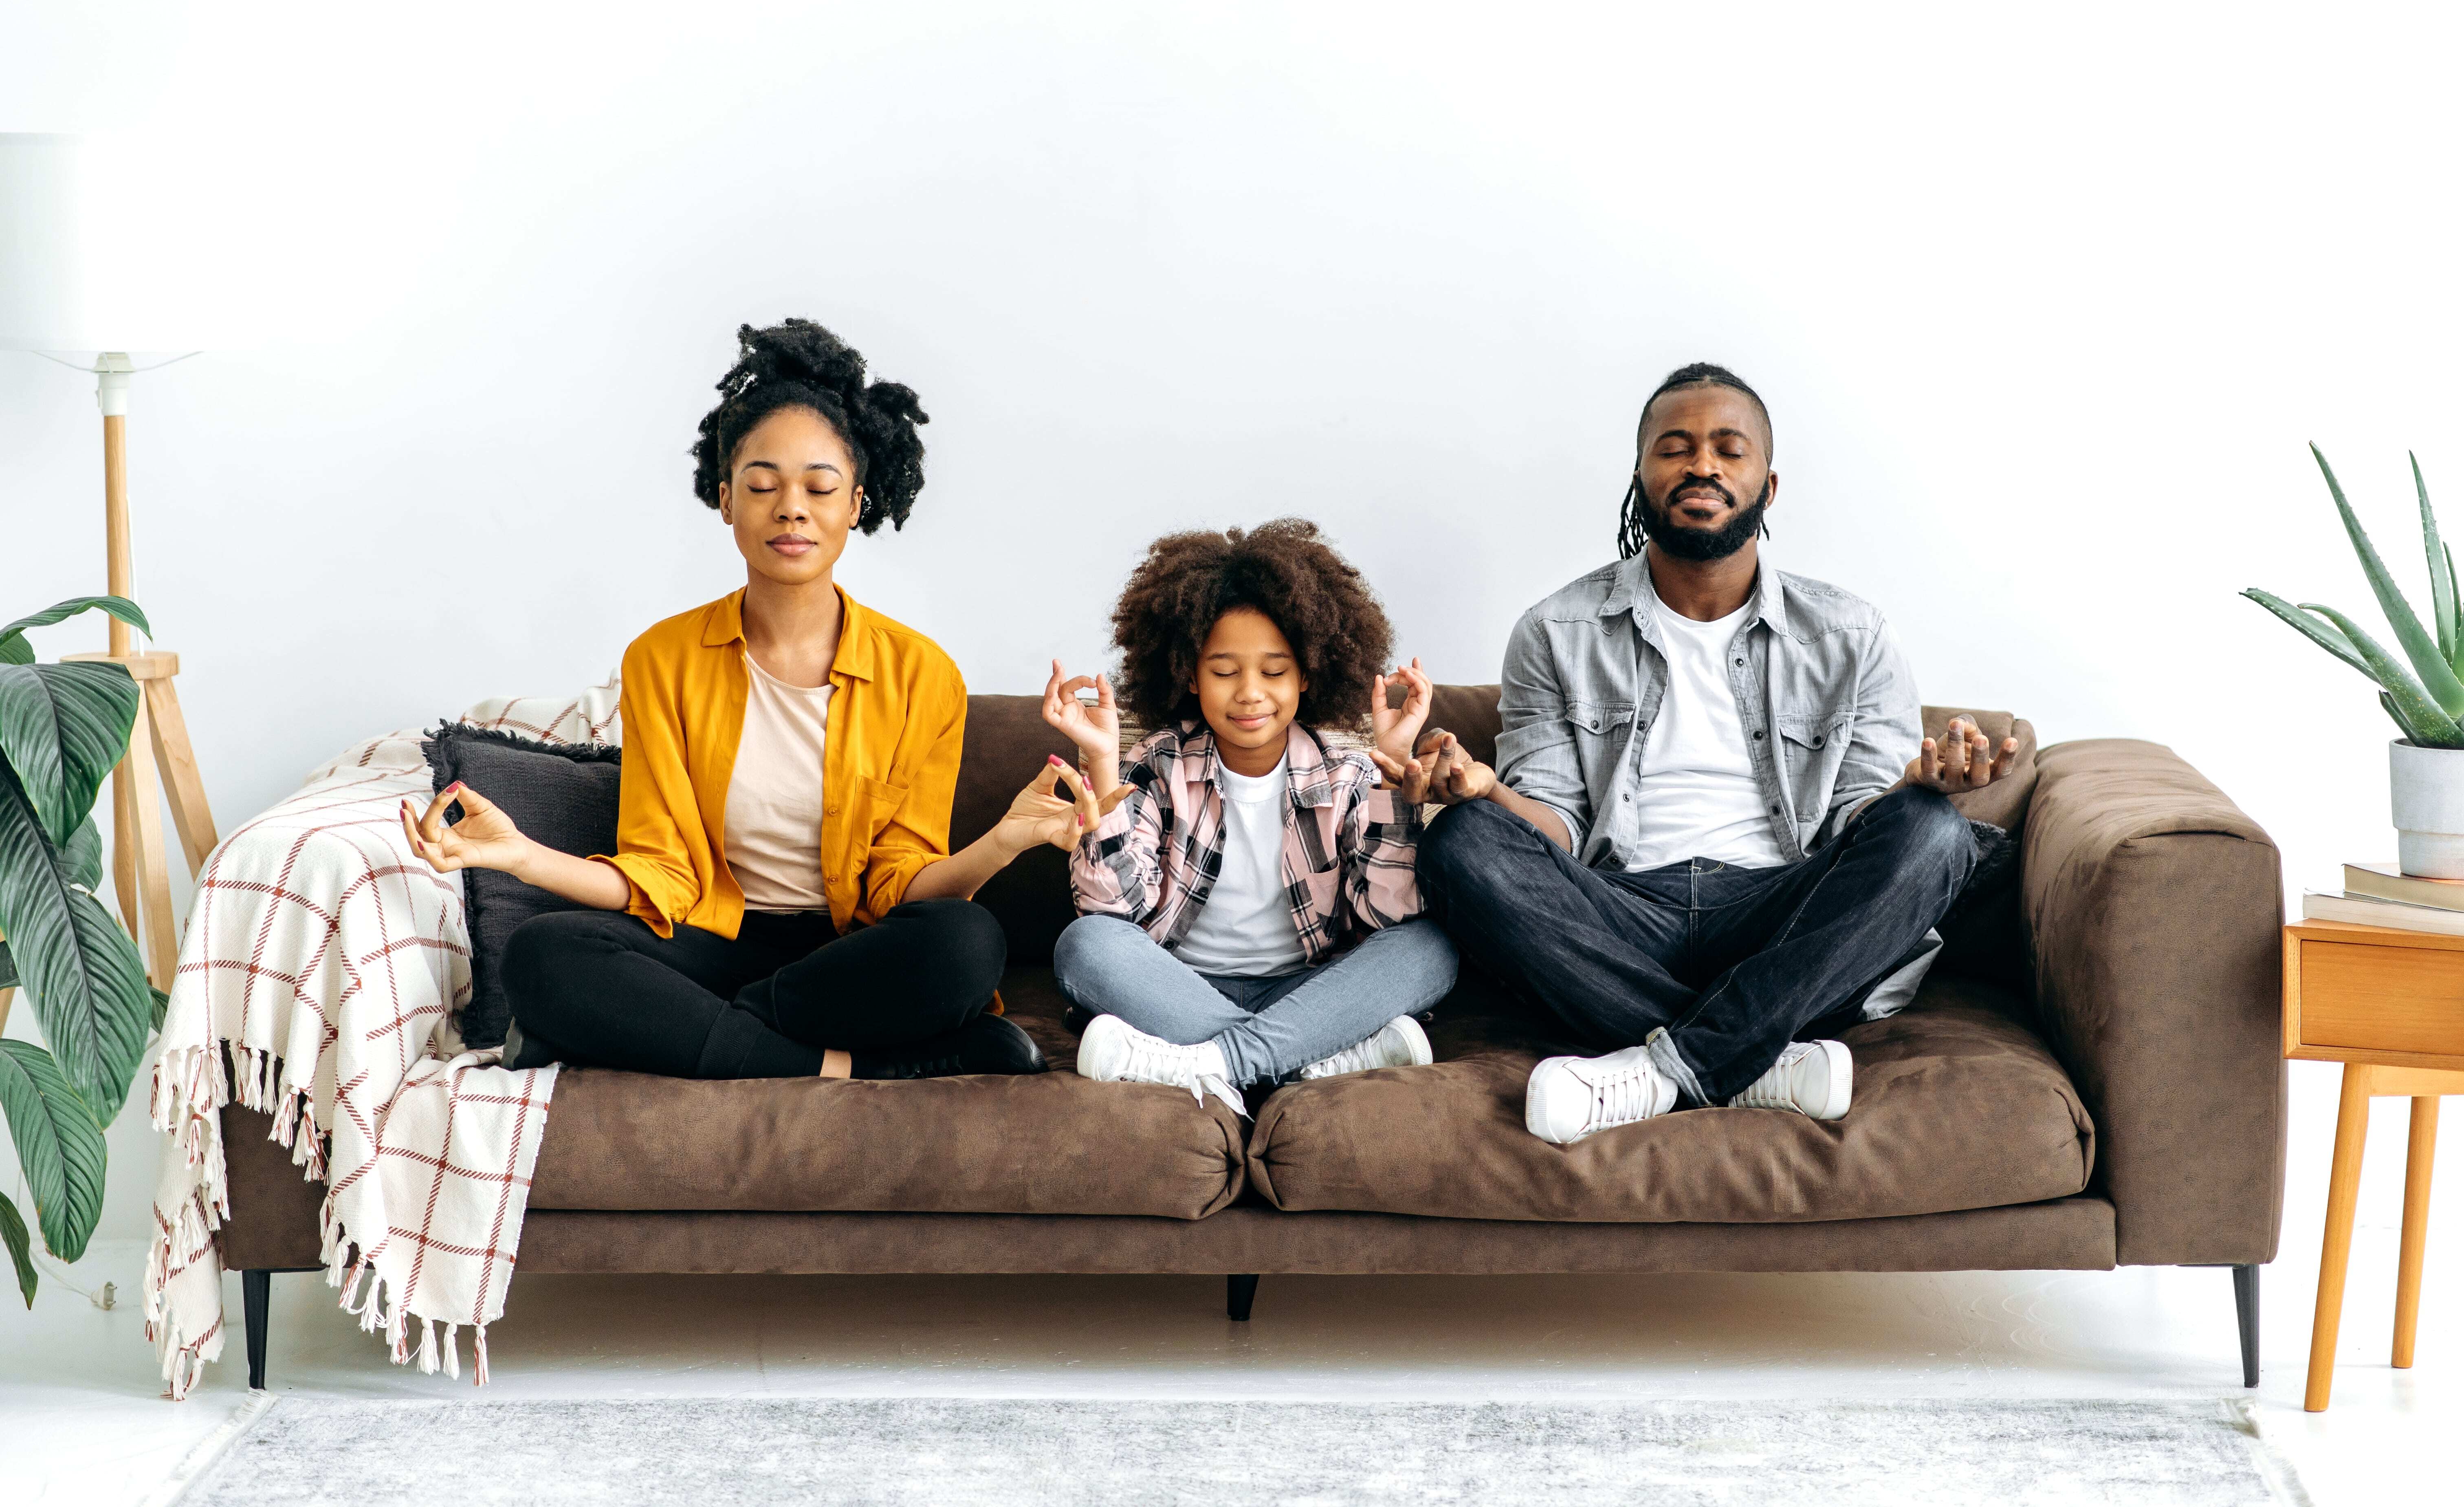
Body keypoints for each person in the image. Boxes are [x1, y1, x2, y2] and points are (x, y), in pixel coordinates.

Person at [400, 319, 1100, 1081]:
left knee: (965, 942)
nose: (791, 508)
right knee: (545, 955)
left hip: (849, 955)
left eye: (820, 487)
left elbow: (902, 885)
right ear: (727, 501)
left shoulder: (923, 675)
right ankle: (853, 1066)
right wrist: (521, 857)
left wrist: (1006, 839)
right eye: (763, 486)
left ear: (856, 504)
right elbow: (658, 875)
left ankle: (682, 1034)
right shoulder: (661, 660)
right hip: (710, 942)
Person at [1412, 364, 2016, 1143]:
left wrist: (1910, 788)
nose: (1703, 466)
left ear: (1768, 485)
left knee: (1934, 831)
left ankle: (1663, 1070)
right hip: (1619, 916)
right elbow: (1555, 827)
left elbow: (1854, 828)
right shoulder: (1555, 631)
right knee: (1461, 842)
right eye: (1677, 448)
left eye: (1730, 449)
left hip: (1783, 913)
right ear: (1640, 476)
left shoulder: (1852, 634)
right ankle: (1757, 1058)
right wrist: (1487, 791)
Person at [1043, 520, 1460, 1112]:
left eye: (1273, 671)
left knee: (1430, 947)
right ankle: (1305, 1063)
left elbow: (1387, 917)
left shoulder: (1346, 774)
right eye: (1223, 671)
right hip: (1180, 990)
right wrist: (1103, 764)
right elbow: (1113, 913)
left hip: (1311, 992)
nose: (1249, 693)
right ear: (1190, 673)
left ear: (1308, 673)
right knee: (1085, 944)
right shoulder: (1156, 764)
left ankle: (1218, 1065)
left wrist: (1390, 769)